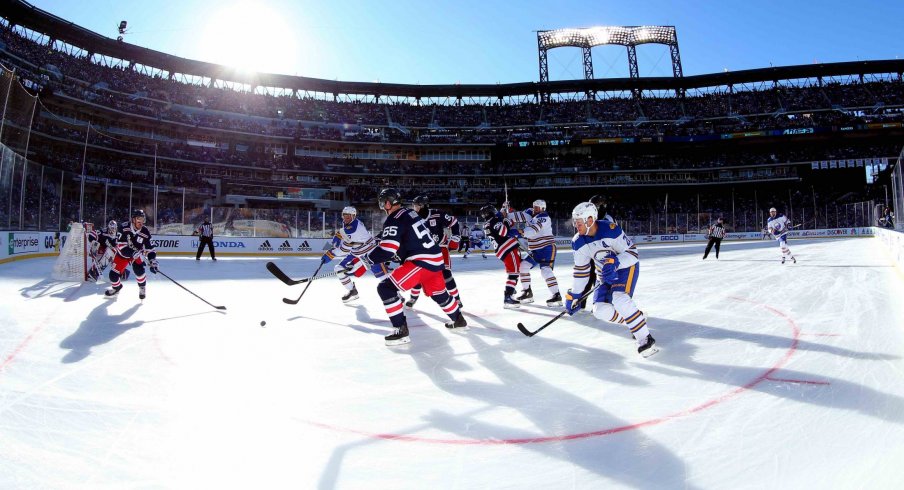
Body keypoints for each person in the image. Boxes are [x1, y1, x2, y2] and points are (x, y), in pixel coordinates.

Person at [356, 189, 466, 346]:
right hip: (435, 258)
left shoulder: (394, 218)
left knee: (386, 288)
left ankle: (400, 331)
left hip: (421, 261)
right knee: (439, 294)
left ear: (387, 203)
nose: (382, 207)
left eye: (382, 203)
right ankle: (458, 319)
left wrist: (366, 260)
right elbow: (407, 238)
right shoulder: (411, 214)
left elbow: (387, 250)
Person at [566, 202, 658, 357]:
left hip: (625, 268)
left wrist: (616, 262)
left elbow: (633, 254)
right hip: (603, 274)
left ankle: (645, 339)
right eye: (575, 223)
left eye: (579, 223)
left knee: (620, 299)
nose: (577, 226)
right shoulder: (578, 242)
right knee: (599, 311)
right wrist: (575, 295)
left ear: (590, 220)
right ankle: (637, 319)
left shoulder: (610, 230)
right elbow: (581, 272)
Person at [320, 206, 391, 303]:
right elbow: (345, 232)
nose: (346, 218)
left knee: (382, 276)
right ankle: (352, 291)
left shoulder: (355, 228)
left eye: (348, 216)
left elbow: (345, 249)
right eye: (344, 215)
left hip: (370, 253)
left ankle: (396, 295)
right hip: (356, 253)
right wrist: (338, 235)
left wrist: (331, 254)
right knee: (339, 269)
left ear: (353, 216)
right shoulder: (349, 224)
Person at [406, 195, 464, 309]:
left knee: (446, 275)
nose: (415, 208)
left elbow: (454, 222)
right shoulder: (412, 218)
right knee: (417, 274)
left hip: (440, 248)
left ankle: (457, 299)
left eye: (417, 206)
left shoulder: (437, 214)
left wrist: (455, 238)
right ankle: (413, 297)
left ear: (424, 206)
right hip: (423, 251)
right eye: (414, 206)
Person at [507, 199, 562, 306]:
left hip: (547, 248)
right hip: (535, 250)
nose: (535, 209)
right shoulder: (530, 213)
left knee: (546, 270)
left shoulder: (543, 217)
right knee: (523, 266)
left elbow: (533, 230)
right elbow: (517, 216)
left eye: (537, 207)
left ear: (542, 209)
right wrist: (507, 212)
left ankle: (556, 295)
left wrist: (520, 232)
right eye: (534, 206)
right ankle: (527, 292)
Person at [105, 209, 158, 300]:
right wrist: (132, 253)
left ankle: (142, 287)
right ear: (133, 219)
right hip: (123, 254)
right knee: (113, 276)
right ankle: (117, 288)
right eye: (138, 219)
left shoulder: (145, 232)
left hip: (136, 255)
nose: (141, 222)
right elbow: (120, 246)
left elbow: (150, 249)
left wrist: (152, 260)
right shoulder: (123, 227)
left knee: (139, 271)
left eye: (142, 219)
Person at [480, 204, 524, 309]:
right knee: (514, 273)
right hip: (507, 248)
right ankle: (508, 297)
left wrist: (506, 216)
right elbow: (504, 232)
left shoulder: (488, 223)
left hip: (502, 250)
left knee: (514, 272)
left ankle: (511, 290)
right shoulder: (494, 220)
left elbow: (507, 224)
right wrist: (505, 219)